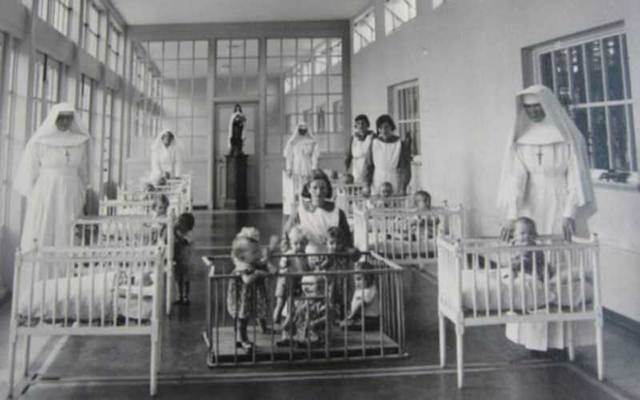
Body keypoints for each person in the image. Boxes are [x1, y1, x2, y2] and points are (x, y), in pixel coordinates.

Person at [497, 85, 597, 352]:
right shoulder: (522, 139)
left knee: (561, 265)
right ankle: (532, 338)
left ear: (549, 106)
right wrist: (512, 216)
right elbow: (515, 181)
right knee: (529, 265)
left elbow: (575, 178)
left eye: (537, 108)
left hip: (561, 204)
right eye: (528, 109)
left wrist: (569, 214)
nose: (533, 113)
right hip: (531, 207)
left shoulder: (568, 138)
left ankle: (565, 342)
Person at [15, 103, 91, 254]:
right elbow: (30, 172)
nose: (64, 122)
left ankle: (65, 275)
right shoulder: (40, 142)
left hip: (71, 192)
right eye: (60, 118)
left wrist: (82, 193)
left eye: (68, 118)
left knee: (67, 229)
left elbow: (83, 171)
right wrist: (36, 196)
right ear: (53, 119)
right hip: (46, 192)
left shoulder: (80, 142)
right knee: (44, 229)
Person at [284, 169, 352, 252]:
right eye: (315, 188)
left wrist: (350, 249)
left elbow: (347, 240)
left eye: (323, 188)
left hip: (332, 258)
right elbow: (286, 235)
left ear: (327, 189)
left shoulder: (338, 212)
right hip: (305, 258)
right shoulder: (299, 211)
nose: (319, 192)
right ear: (308, 188)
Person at [227, 227, 269, 350]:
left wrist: (264, 263)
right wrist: (258, 273)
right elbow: (247, 279)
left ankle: (244, 337)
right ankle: (243, 339)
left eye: (258, 251)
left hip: (247, 297)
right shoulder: (242, 266)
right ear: (242, 256)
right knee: (242, 320)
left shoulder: (250, 263)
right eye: (254, 252)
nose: (258, 254)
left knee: (244, 318)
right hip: (241, 298)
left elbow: (264, 264)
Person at [279, 274, 332, 348]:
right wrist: (291, 316)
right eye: (304, 285)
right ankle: (290, 339)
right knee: (292, 324)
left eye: (311, 285)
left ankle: (311, 342)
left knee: (313, 333)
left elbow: (327, 316)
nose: (306, 288)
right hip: (301, 326)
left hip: (314, 326)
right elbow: (296, 313)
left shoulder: (323, 302)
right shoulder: (301, 301)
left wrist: (316, 322)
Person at [364, 114, 412, 195]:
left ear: (391, 127)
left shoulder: (399, 143)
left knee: (394, 202)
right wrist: (366, 184)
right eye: (380, 128)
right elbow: (368, 164)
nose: (383, 130)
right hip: (377, 177)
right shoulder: (374, 143)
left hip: (394, 177)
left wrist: (403, 186)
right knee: (377, 203)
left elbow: (405, 167)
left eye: (386, 127)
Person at [273, 226, 309, 325]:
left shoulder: (305, 256)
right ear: (291, 244)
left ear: (306, 244)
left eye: (302, 244)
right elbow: (282, 264)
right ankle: (276, 321)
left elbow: (306, 268)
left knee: (292, 302)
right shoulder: (288, 254)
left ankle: (290, 322)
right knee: (280, 302)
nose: (299, 246)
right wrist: (285, 264)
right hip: (285, 281)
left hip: (297, 281)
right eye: (295, 243)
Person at [283, 122, 319, 216]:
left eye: (304, 129)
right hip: (296, 167)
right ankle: (297, 211)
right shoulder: (293, 142)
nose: (303, 131)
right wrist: (289, 168)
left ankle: (307, 210)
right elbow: (289, 157)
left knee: (307, 187)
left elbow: (314, 157)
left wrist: (314, 168)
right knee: (296, 189)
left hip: (307, 166)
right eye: (301, 129)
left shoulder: (312, 142)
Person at [341, 260, 380, 331]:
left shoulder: (370, 290)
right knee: (345, 324)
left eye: (359, 279)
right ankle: (350, 322)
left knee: (345, 325)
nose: (356, 282)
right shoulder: (361, 289)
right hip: (360, 317)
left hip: (370, 319)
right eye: (355, 279)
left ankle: (350, 322)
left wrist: (351, 316)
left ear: (368, 279)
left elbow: (361, 304)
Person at [345, 115, 375, 184]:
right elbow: (348, 155)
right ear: (356, 126)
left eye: (363, 123)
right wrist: (346, 170)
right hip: (356, 169)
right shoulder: (353, 138)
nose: (361, 125)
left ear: (367, 125)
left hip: (369, 168)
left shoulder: (373, 137)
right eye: (358, 123)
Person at [173, 213, 195, 305]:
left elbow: (183, 242)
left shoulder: (189, 234)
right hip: (178, 260)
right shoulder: (178, 233)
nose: (179, 224)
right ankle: (179, 296)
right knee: (178, 279)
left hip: (187, 261)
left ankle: (186, 296)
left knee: (186, 279)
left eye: (182, 223)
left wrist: (174, 232)